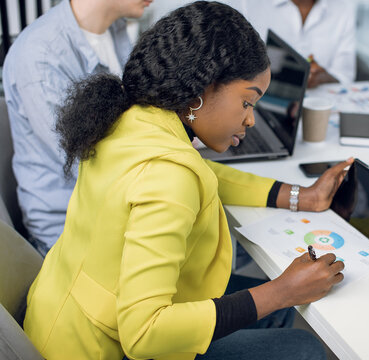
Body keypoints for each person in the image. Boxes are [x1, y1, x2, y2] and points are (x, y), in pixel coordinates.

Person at [23, 2, 351, 359]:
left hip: (61, 317)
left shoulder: (132, 117)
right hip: (98, 349)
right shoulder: (168, 176)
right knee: (302, 347)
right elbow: (145, 332)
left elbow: (200, 171)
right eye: (246, 102)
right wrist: (281, 291)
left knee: (277, 311)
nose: (251, 120)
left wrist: (300, 196)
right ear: (201, 90)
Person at [2, 0, 152, 255]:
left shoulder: (113, 29)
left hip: (118, 206)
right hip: (70, 234)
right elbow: (84, 160)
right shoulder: (41, 55)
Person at [219, 0, 357, 88]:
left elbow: (345, 77)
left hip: (318, 107)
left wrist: (323, 77)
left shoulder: (343, 8)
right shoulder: (245, 3)